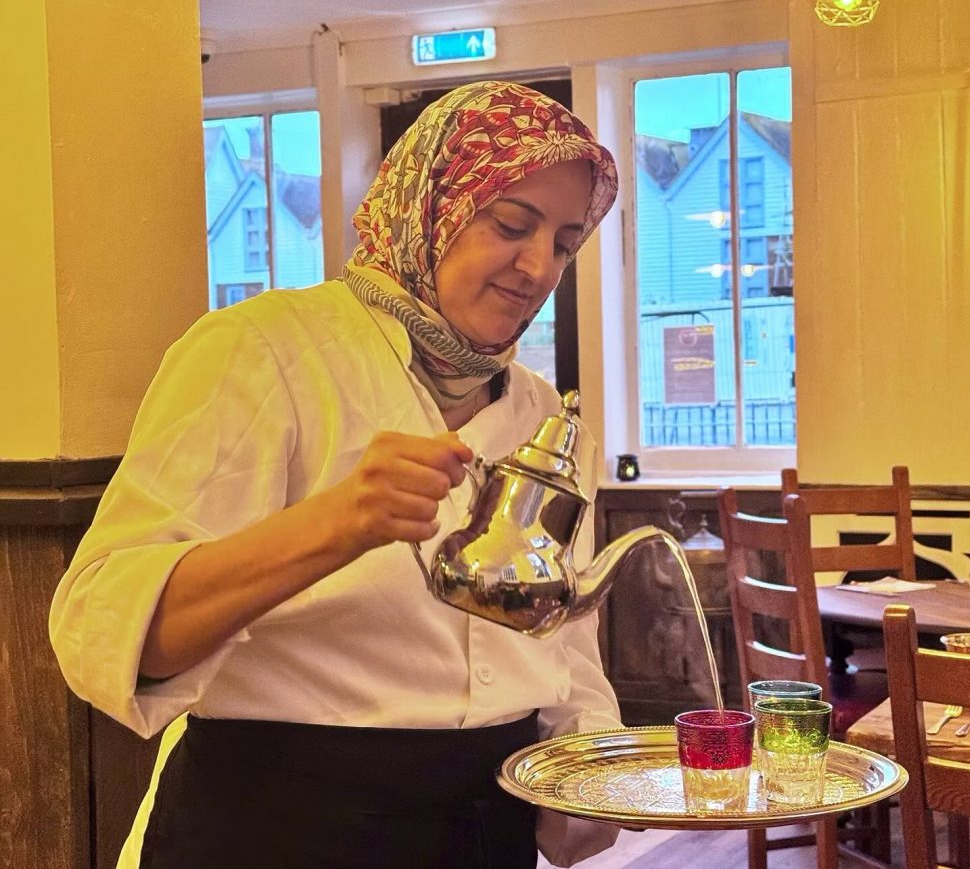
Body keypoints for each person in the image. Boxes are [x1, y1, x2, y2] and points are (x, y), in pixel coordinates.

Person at [49, 80, 624, 869]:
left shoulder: (544, 417)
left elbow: (566, 640)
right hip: (279, 826)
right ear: (431, 206)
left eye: (563, 243)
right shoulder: (264, 353)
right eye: (511, 224)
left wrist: (588, 768)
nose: (537, 266)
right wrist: (334, 524)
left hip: (483, 830)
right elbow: (102, 629)